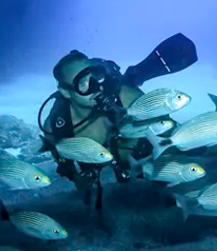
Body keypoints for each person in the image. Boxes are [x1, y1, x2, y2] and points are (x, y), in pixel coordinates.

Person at [38, 34, 198, 208]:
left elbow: (169, 131)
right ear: (66, 91)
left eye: (95, 77)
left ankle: (134, 76)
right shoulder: (57, 125)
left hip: (136, 157)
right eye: (82, 83)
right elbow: (60, 156)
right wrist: (77, 178)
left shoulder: (125, 97)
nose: (95, 87)